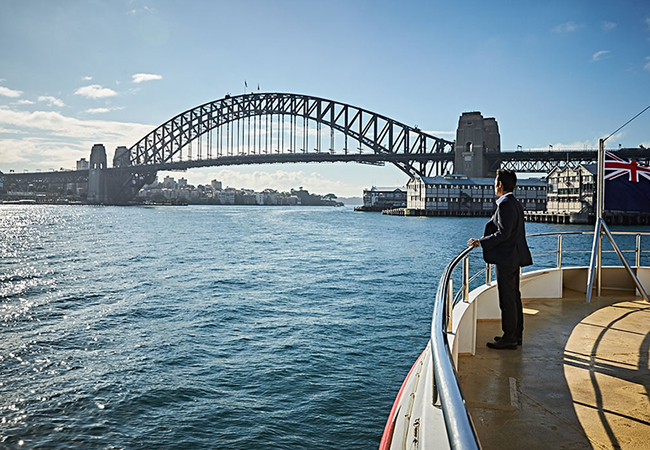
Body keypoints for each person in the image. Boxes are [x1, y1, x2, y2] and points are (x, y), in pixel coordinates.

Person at [467, 169, 532, 350]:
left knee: (507, 300)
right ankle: (516, 335)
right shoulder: (515, 203)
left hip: (506, 258)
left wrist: (481, 242)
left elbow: (503, 233)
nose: (494, 186)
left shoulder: (505, 204)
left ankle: (509, 338)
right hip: (514, 256)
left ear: (500, 185)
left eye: (495, 183)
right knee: (514, 297)